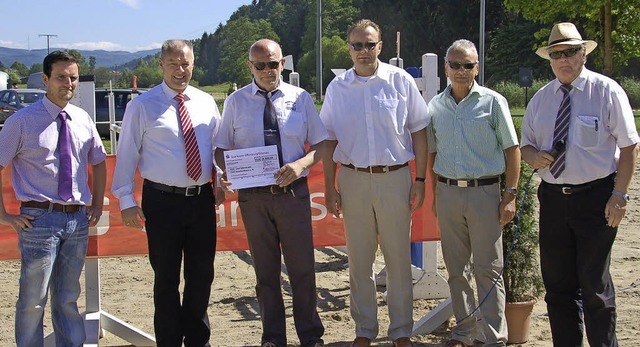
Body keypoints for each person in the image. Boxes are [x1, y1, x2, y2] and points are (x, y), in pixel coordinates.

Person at [521, 22, 639, 346]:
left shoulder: (607, 91)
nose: (564, 60)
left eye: (571, 52)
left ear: (583, 53)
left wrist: (620, 195)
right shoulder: (541, 101)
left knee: (594, 287)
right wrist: (533, 157)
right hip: (554, 200)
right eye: (557, 54)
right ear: (550, 59)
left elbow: (630, 146)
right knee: (558, 288)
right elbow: (526, 145)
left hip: (597, 198)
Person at [320, 19, 430, 347]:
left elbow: (420, 131)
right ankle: (365, 330)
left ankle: (401, 332)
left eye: (369, 44)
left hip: (395, 179)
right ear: (349, 48)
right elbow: (327, 139)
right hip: (352, 180)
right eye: (357, 45)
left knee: (398, 260)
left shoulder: (400, 81)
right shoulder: (337, 89)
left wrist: (420, 178)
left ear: (380, 46)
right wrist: (329, 187)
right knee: (360, 261)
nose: (364, 51)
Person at [214, 39, 326, 347]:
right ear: (250, 66)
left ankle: (310, 336)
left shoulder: (300, 98)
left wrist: (300, 164)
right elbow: (221, 148)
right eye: (260, 65)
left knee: (303, 268)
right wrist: (225, 173)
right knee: (265, 272)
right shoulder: (235, 102)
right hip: (254, 198)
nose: (267, 70)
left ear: (283, 64)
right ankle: (273, 337)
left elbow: (321, 145)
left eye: (273, 64)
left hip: (293, 195)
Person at [111, 39, 222, 346]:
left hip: (201, 200)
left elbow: (216, 147)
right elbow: (127, 155)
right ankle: (170, 341)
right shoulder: (142, 106)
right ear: (161, 65)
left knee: (202, 276)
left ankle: (198, 340)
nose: (179, 70)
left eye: (185, 63)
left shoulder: (205, 101)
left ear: (193, 65)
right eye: (173, 63)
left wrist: (222, 179)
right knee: (166, 279)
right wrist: (125, 199)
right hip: (161, 202)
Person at [0, 50, 107, 346]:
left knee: (68, 297)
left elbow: (98, 161)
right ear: (46, 79)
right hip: (39, 220)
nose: (68, 83)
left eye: (72, 77)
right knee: (33, 299)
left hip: (76, 219)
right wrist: (3, 214)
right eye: (61, 77)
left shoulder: (83, 119)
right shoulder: (21, 121)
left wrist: (96, 203)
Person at [426, 39, 519, 347]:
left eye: (467, 65)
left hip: (485, 194)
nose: (461, 71)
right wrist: (434, 192)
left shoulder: (493, 102)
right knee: (455, 270)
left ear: (477, 67)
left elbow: (512, 149)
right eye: (455, 65)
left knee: (488, 269)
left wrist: (511, 194)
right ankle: (465, 332)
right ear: (446, 69)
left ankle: (494, 337)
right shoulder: (435, 106)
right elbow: (431, 154)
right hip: (448, 193)